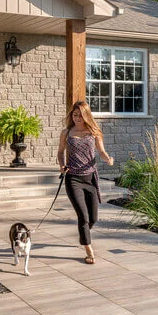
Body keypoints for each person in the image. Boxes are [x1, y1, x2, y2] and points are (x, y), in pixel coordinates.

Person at [57, 100, 114, 264]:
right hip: (73, 178)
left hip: (90, 178)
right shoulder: (66, 133)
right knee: (83, 216)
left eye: (80, 115)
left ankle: (83, 233)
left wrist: (107, 159)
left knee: (93, 218)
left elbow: (101, 152)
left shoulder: (93, 132)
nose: (77, 118)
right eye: (74, 115)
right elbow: (60, 153)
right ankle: (89, 250)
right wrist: (62, 166)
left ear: (86, 116)